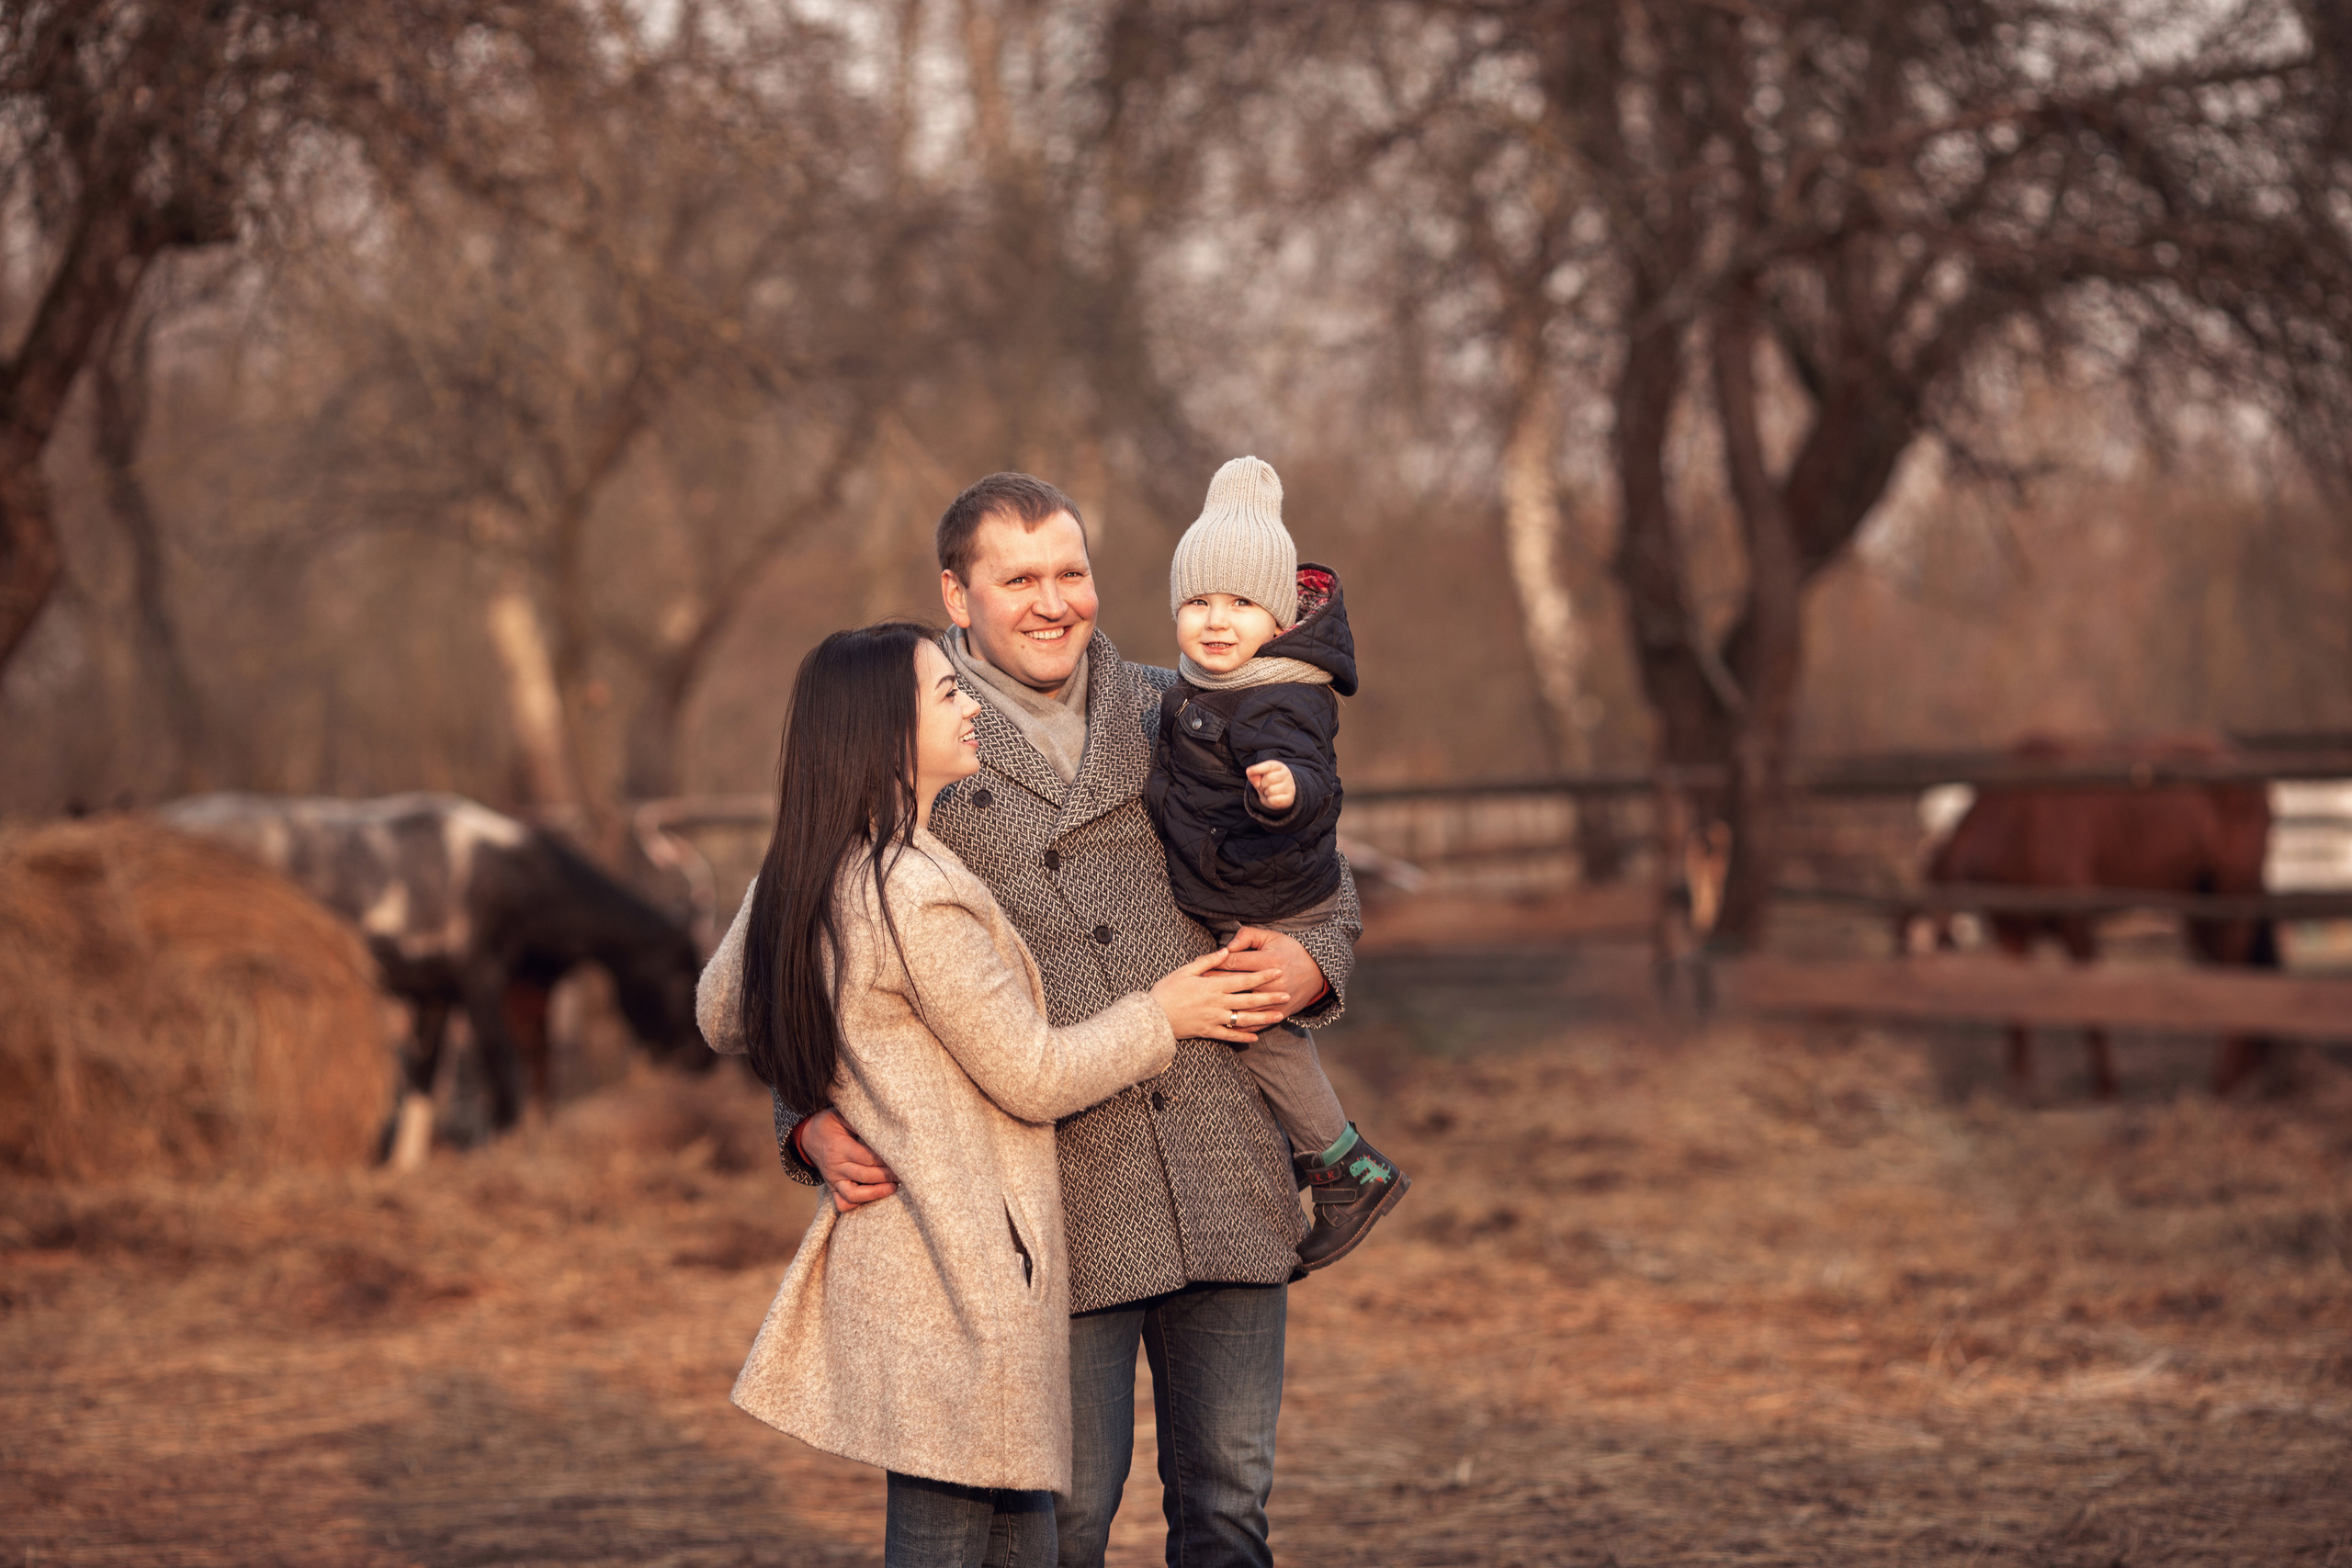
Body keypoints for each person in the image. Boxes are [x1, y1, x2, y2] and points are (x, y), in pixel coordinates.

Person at [712, 473, 1363, 1568]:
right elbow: (789, 954)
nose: (1052, 601)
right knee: (1066, 1526)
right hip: (1051, 1201)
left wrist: (1310, 960)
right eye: (1019, 579)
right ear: (956, 596)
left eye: (1073, 573)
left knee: (1231, 1509)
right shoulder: (904, 744)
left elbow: (1322, 878)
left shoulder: (1192, 701)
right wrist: (805, 1118)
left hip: (1224, 1161)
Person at [1146, 455, 1408, 1270]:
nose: (1215, 621)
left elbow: (1316, 780)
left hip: (1269, 886)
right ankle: (1325, 1152)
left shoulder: (1278, 694)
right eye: (1197, 601)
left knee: (1255, 1023)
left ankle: (1345, 1164)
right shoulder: (1207, 682)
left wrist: (1284, 790)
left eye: (1240, 604)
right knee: (1254, 1021)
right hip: (1243, 876)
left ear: (1281, 613)